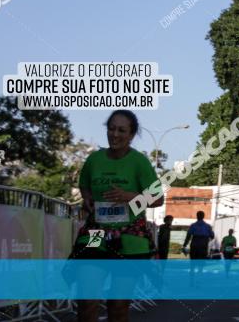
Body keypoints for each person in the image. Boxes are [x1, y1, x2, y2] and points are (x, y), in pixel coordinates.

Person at [71, 109, 162, 322]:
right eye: (111, 129)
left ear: (131, 135)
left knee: (118, 305)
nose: (115, 134)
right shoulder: (94, 160)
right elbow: (84, 186)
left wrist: (128, 196)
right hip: (96, 234)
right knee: (86, 300)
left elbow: (158, 199)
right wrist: (87, 198)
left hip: (130, 237)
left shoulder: (139, 162)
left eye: (122, 130)